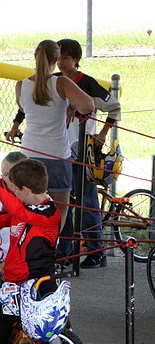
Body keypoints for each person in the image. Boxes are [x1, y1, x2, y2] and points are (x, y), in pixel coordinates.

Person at [0, 153, 60, 344]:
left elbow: (16, 209)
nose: (13, 194)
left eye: (15, 190)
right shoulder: (24, 208)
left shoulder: (49, 212)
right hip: (12, 287)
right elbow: (7, 217)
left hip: (38, 287)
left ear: (26, 190)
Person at [5, 39, 95, 235]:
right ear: (56, 59)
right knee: (60, 208)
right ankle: (50, 248)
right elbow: (88, 106)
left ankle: (27, 247)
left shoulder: (21, 85)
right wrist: (70, 105)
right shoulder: (61, 83)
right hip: (56, 155)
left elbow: (23, 108)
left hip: (28, 152)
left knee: (28, 206)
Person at [52, 38, 122, 270]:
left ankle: (96, 251)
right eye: (59, 57)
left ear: (76, 60)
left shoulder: (87, 83)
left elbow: (114, 107)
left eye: (66, 58)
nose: (62, 62)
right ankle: (66, 251)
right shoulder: (53, 81)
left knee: (87, 201)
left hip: (82, 149)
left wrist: (103, 132)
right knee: (62, 202)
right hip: (57, 149)